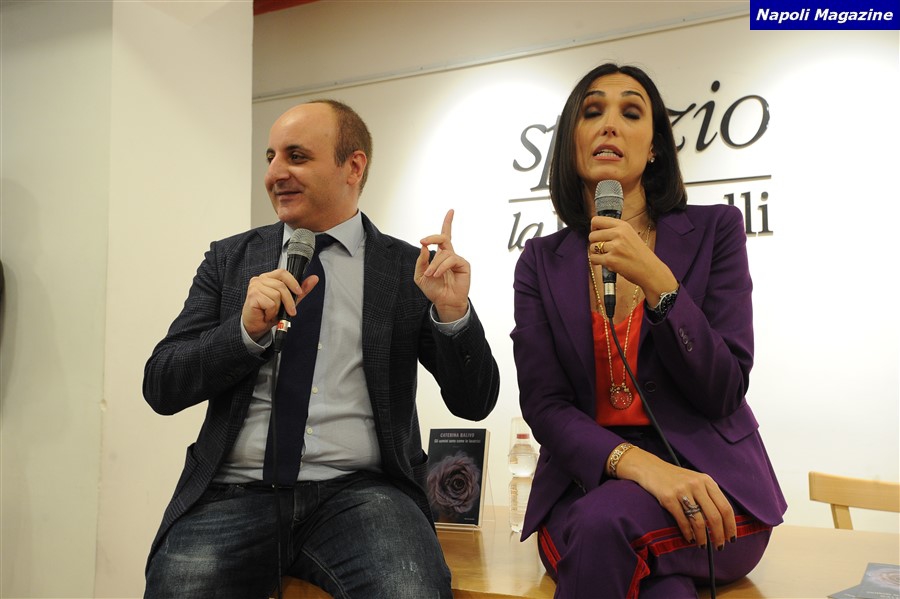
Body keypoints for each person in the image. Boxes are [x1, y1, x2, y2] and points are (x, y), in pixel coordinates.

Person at [142, 99, 499, 599]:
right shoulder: (229, 260)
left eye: (296, 156)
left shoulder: (407, 269)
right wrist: (243, 333)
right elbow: (161, 385)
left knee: (410, 590)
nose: (275, 173)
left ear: (353, 166)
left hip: (364, 495)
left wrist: (453, 314)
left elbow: (474, 402)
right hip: (234, 493)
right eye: (270, 157)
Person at [510, 63, 786, 598]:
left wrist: (660, 283)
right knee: (647, 570)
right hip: (587, 483)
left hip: (711, 486)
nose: (610, 124)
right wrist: (641, 468)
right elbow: (544, 404)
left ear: (655, 146)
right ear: (571, 142)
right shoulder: (540, 261)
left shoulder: (716, 230)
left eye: (631, 112)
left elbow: (724, 388)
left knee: (604, 527)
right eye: (593, 111)